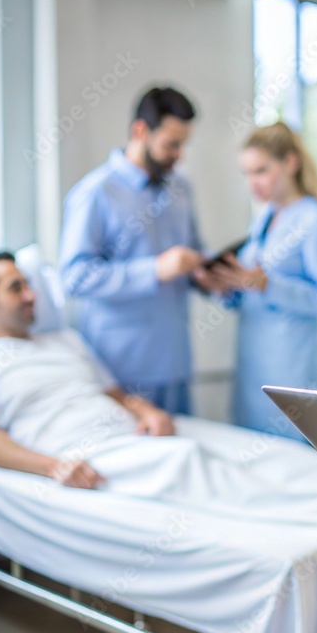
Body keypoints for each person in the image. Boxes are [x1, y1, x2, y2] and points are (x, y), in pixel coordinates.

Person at [0, 252, 317, 522]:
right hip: (85, 451)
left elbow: (111, 390)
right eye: (16, 288)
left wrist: (146, 410)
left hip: (128, 430)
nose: (30, 296)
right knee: (183, 461)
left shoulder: (65, 340)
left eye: (28, 284)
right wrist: (52, 466)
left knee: (253, 453)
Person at [195, 123, 317, 441]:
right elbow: (252, 286)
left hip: (291, 363)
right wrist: (226, 286)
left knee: (290, 454)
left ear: (290, 163)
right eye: (246, 174)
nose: (253, 184)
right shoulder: (264, 217)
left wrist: (266, 285)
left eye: (261, 171)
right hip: (253, 360)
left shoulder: (314, 221)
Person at [59, 87, 203, 416]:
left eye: (183, 145)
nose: (179, 155)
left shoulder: (181, 188)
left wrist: (207, 272)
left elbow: (193, 249)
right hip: (122, 370)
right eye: (171, 144)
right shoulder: (95, 194)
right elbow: (74, 278)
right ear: (140, 131)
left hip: (177, 360)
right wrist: (154, 270)